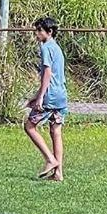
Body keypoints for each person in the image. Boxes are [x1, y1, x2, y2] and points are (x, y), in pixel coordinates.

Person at [24, 16, 68, 181]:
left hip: (50, 97)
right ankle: (59, 173)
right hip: (61, 96)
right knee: (55, 131)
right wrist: (35, 97)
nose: (37, 34)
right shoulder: (57, 48)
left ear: (49, 32)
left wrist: (40, 98)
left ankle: (50, 159)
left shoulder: (46, 48)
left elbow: (47, 74)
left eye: (39, 30)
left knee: (29, 126)